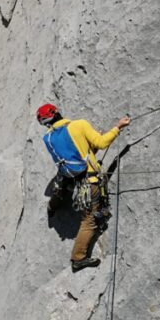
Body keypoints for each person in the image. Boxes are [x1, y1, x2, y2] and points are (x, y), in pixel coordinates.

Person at [36, 103, 131, 272]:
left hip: (72, 179)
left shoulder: (48, 138)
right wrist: (118, 127)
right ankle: (78, 258)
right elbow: (102, 143)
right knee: (90, 220)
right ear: (56, 112)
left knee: (62, 187)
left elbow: (74, 152)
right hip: (90, 181)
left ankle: (52, 206)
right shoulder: (79, 125)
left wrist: (90, 146)